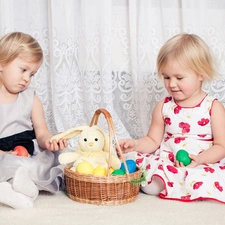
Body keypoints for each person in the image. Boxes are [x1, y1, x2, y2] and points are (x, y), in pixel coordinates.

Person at [118, 33, 225, 203]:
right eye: (166, 77)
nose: (172, 84)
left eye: (179, 78)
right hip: (169, 162)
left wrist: (200, 159)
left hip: (201, 162)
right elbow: (152, 140)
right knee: (144, 176)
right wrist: (136, 144)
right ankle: (167, 182)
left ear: (201, 74)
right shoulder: (164, 106)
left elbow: (221, 146)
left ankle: (185, 184)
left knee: (202, 179)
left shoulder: (213, 107)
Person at [0, 32, 68, 209]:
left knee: (43, 164)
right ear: (1, 63)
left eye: (32, 74)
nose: (26, 79)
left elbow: (42, 132)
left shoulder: (31, 99)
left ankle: (21, 187)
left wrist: (50, 141)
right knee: (6, 163)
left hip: (24, 154)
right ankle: (12, 190)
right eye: (23, 70)